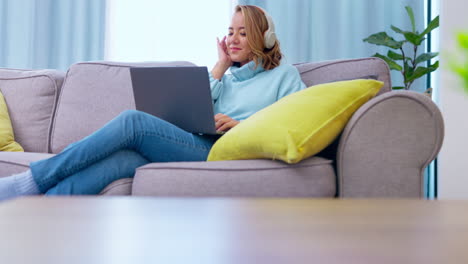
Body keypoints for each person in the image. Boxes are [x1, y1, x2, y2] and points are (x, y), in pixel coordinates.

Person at [0, 5, 306, 200]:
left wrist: (242, 125)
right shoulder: (227, 77)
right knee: (121, 161)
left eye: (243, 32)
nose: (234, 39)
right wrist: (220, 66)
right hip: (197, 141)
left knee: (132, 121)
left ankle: (31, 179)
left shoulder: (284, 76)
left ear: (264, 38)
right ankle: (39, 207)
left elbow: (295, 123)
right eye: (230, 32)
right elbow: (201, 106)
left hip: (221, 151)